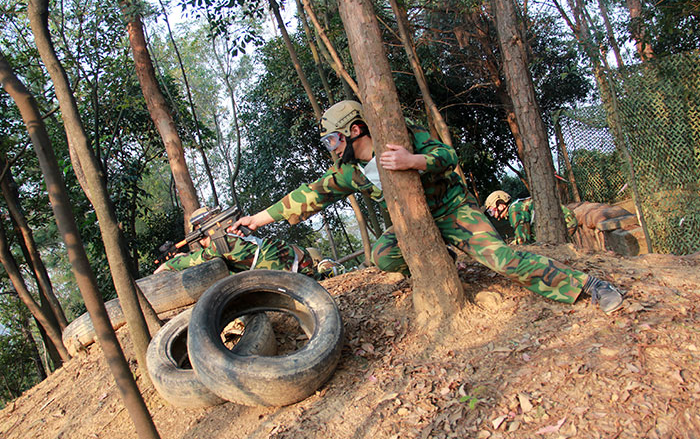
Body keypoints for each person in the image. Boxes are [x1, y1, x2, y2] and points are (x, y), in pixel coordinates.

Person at [230, 100, 623, 314]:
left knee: (500, 258)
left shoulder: (397, 137)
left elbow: (447, 154)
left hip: (453, 208)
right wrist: (255, 219)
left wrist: (411, 161)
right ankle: (446, 263)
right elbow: (306, 197)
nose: (332, 148)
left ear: (354, 130)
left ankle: (588, 285)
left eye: (334, 139)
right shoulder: (351, 172)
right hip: (413, 224)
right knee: (383, 254)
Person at [155, 207, 340, 280]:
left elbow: (201, 259)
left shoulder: (221, 242)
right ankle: (326, 270)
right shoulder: (227, 237)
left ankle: (328, 268)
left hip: (290, 260)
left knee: (318, 281)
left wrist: (169, 264)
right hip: (287, 258)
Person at [485, 190, 578, 245]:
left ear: (500, 205)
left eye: (492, 211)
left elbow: (523, 240)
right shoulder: (516, 206)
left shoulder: (514, 210)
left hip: (565, 222)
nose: (494, 215)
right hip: (564, 221)